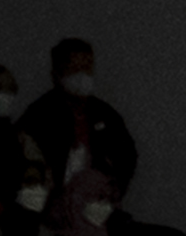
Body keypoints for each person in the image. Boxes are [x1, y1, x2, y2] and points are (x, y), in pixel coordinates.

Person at [18, 41, 137, 196]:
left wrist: (113, 189)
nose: (82, 75)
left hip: (94, 203)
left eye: (87, 68)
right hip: (51, 204)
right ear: (56, 75)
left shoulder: (105, 113)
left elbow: (127, 155)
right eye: (74, 68)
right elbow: (20, 153)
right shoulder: (40, 113)